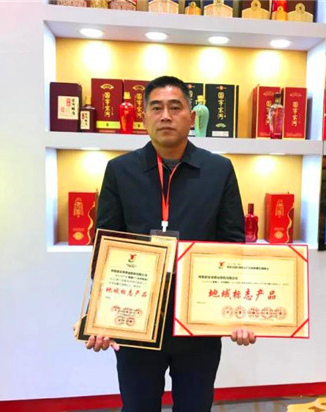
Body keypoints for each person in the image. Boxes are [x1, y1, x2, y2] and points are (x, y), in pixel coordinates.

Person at [77, 75, 256, 412]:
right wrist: (101, 315)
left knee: (195, 406)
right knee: (138, 406)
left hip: (197, 319)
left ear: (192, 116)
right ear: (144, 117)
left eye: (175, 107)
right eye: (156, 108)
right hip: (137, 318)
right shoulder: (120, 170)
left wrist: (239, 311)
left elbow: (231, 244)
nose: (166, 116)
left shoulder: (219, 170)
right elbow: (107, 245)